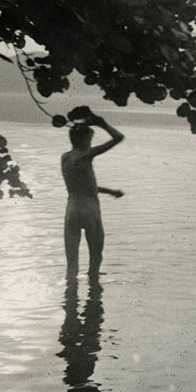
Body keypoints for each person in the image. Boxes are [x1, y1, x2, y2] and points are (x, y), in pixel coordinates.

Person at [61, 112, 124, 279]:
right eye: (90, 140)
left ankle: (70, 300)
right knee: (95, 262)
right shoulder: (86, 155)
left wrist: (110, 192)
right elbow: (118, 137)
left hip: (72, 211)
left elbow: (83, 186)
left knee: (71, 266)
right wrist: (103, 124)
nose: (91, 144)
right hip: (90, 211)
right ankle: (94, 295)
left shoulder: (65, 158)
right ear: (84, 140)